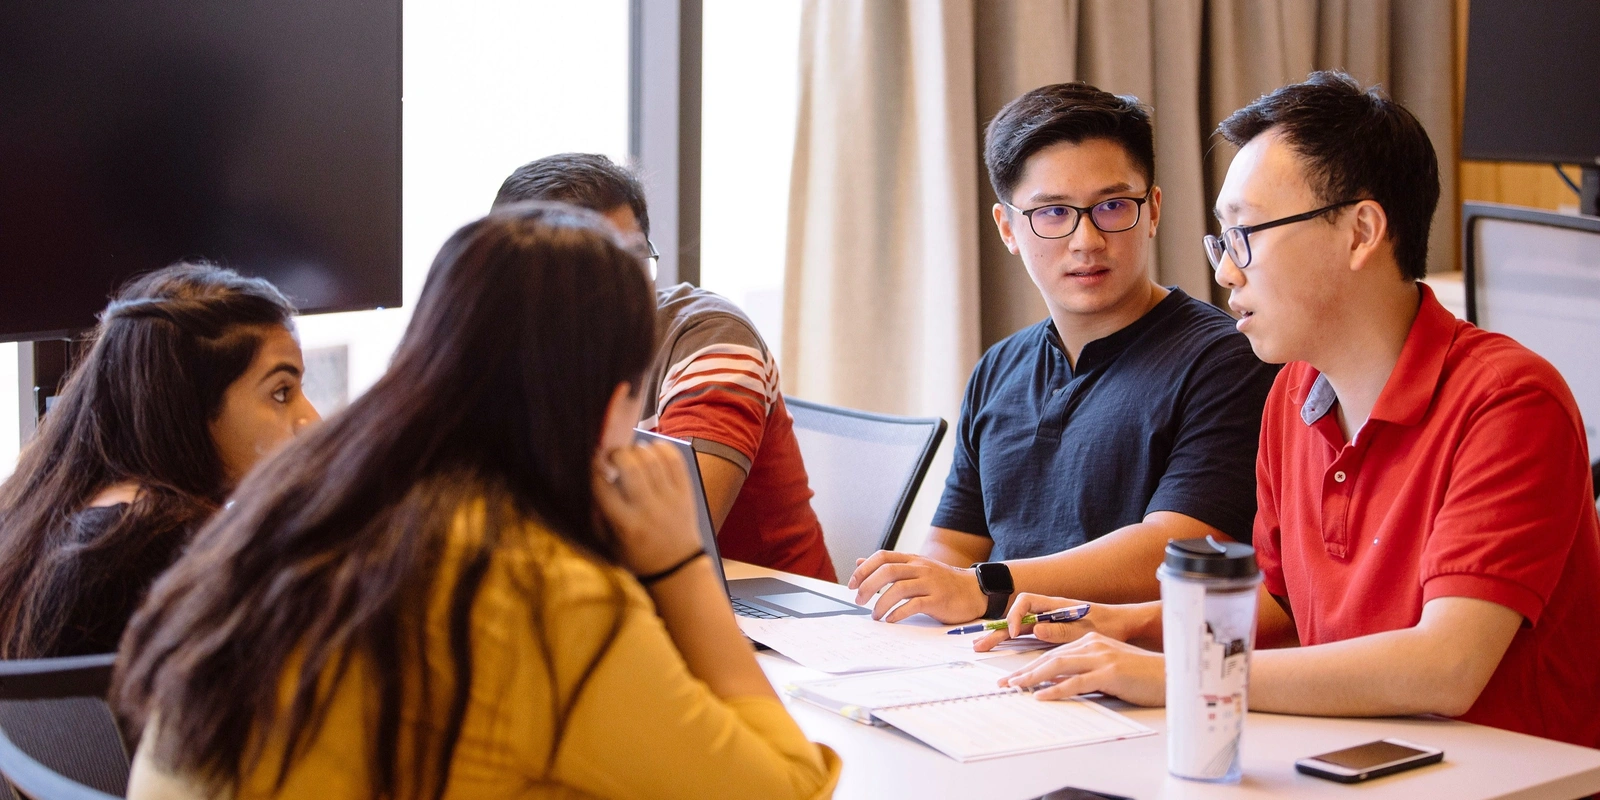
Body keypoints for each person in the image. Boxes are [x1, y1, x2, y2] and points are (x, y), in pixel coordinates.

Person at [114, 202, 842, 799]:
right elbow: (786, 791)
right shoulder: (540, 588)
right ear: (614, 407)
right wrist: (682, 566)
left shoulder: (299, 499)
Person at [982, 72, 1600, 748]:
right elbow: (1281, 609)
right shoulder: (1292, 396)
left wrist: (1179, 673)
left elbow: (1445, 666)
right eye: (1222, 239)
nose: (1225, 272)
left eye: (1245, 232)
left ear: (1361, 231)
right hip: (1346, 759)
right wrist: (1124, 626)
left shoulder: (1509, 402)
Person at [848, 83, 1278, 622]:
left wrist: (984, 587)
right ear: (1007, 228)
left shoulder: (1225, 361)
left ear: (1153, 212)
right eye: (1053, 213)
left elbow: (1177, 548)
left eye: (1113, 206)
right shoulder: (999, 368)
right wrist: (916, 591)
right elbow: (956, 546)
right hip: (989, 660)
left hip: (1126, 669)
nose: (1087, 241)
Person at [492, 153, 836, 581]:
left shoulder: (710, 340)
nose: (620, 289)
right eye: (589, 270)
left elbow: (674, 531)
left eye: (634, 260)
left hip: (760, 617)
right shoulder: (506, 354)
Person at [0, 263, 319, 659]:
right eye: (281, 393)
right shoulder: (161, 548)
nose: (312, 421)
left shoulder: (52, 513)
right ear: (189, 406)